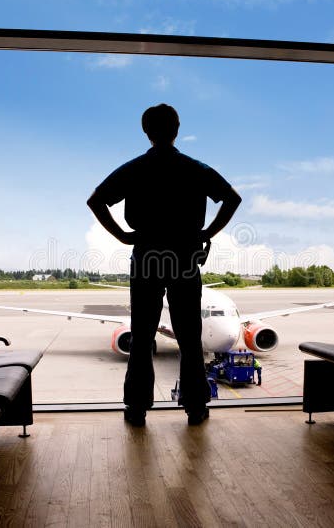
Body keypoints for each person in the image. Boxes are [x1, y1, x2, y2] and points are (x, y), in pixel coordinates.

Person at [87, 103, 242, 426]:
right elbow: (232, 199)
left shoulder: (135, 168)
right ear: (177, 129)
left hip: (146, 257)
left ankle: (137, 407)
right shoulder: (194, 168)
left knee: (142, 336)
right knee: (190, 336)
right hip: (185, 257)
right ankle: (196, 406)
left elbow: (96, 200)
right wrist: (206, 232)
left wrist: (123, 236)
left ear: (146, 131)